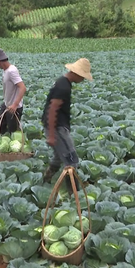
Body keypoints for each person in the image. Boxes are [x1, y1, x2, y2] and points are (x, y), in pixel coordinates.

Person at [41, 58, 93, 188]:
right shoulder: (63, 86)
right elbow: (53, 109)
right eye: (82, 77)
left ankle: (45, 180)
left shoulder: (62, 82)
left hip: (56, 126)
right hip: (57, 128)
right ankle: (73, 194)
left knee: (59, 157)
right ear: (76, 73)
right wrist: (52, 134)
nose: (82, 80)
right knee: (72, 160)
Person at [0, 48, 26, 135]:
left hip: (14, 108)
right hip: (7, 104)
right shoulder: (6, 70)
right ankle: (0, 144)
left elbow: (22, 88)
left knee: (12, 132)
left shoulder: (12, 71)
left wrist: (15, 105)